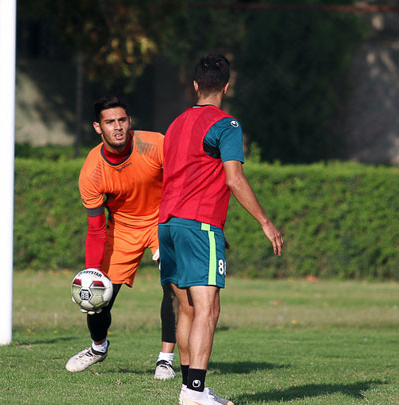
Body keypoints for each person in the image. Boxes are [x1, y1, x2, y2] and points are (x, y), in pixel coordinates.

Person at [158, 55, 284, 405]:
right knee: (208, 309)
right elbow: (233, 177)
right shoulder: (227, 125)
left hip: (167, 224)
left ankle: (189, 388)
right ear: (227, 87)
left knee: (186, 309)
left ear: (195, 85)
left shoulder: (176, 124)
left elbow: (184, 176)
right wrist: (265, 222)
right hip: (198, 226)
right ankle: (194, 393)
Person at [66, 96, 178, 380]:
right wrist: (93, 272)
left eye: (122, 120)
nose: (117, 127)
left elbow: (182, 181)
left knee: (175, 287)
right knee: (96, 300)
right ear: (97, 127)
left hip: (162, 220)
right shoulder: (92, 171)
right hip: (122, 229)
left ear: (130, 122)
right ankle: (98, 348)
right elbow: (95, 228)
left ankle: (165, 359)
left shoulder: (156, 144)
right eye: (109, 122)